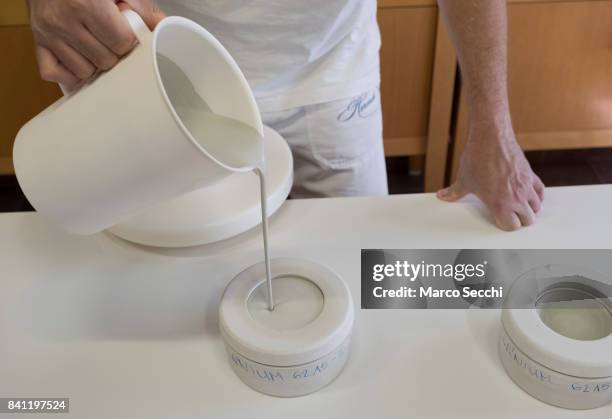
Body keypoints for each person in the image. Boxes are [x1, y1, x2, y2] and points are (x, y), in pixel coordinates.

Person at [25, 0, 545, 231]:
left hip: (335, 76)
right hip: (170, 78)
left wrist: (493, 121)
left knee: (367, 271)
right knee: (168, 280)